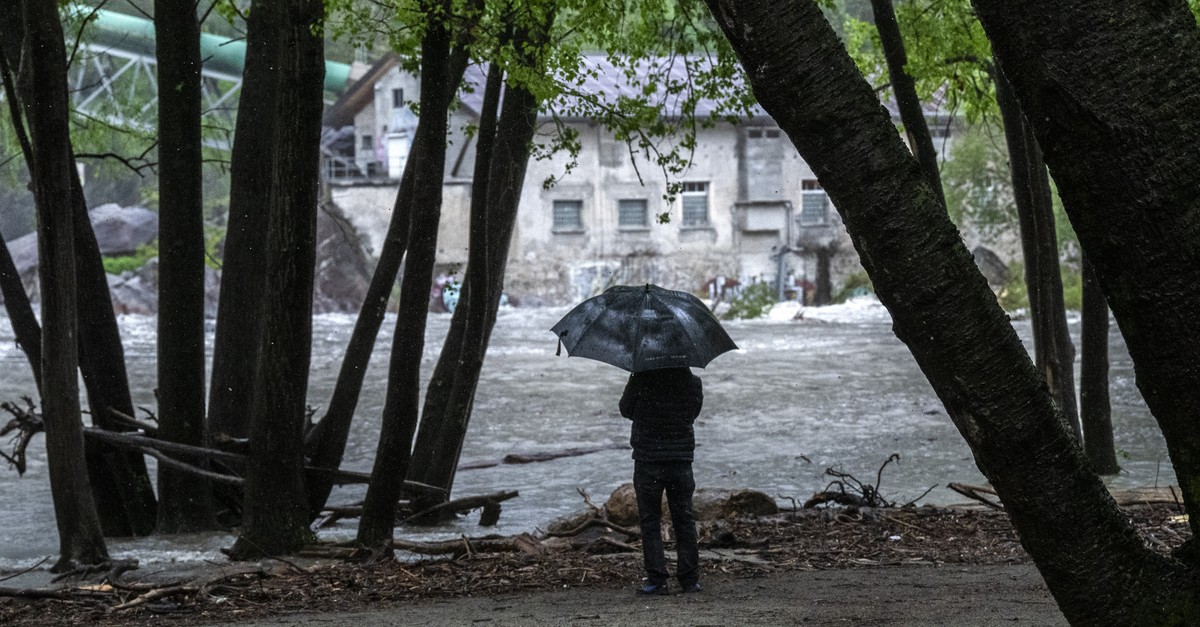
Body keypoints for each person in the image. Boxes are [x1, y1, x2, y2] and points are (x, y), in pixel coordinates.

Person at [619, 366, 704, 595]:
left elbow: (625, 410)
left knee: (650, 521)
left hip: (649, 459)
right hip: (680, 459)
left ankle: (657, 580)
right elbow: (693, 414)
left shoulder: (641, 379)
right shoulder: (693, 382)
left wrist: (633, 381)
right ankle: (689, 580)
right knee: (684, 519)